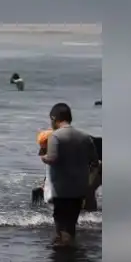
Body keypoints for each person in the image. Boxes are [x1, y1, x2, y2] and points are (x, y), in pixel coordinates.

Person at [40, 103, 99, 247]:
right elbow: (95, 163)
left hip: (61, 189)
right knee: (71, 221)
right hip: (79, 188)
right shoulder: (85, 137)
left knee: (61, 221)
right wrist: (89, 184)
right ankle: (70, 252)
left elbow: (52, 159)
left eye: (51, 119)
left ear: (54, 118)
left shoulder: (55, 136)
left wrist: (43, 156)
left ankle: (65, 252)